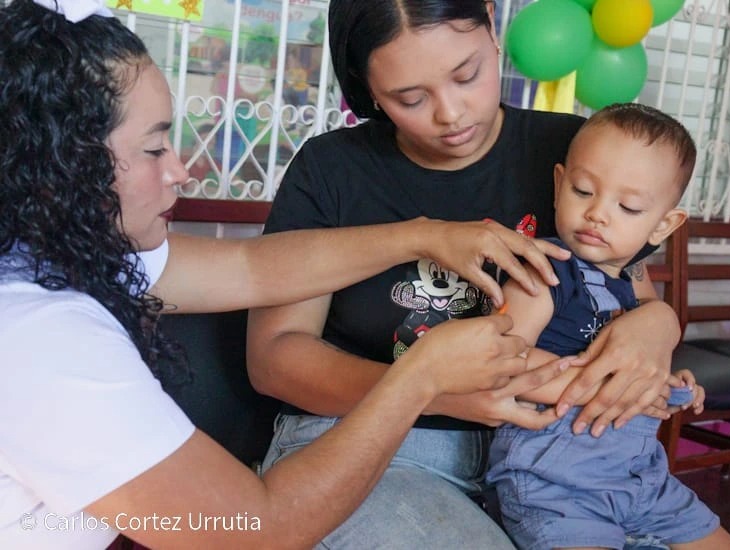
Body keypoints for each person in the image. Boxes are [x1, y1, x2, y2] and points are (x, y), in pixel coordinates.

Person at [0, 1, 572, 548]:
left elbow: (251, 267)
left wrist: (425, 236)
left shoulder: (57, 255)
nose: (181, 171)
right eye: (154, 149)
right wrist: (426, 378)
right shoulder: (40, 339)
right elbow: (256, 530)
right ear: (60, 166)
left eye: (465, 75)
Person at [247, 1, 684, 547]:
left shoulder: (574, 151)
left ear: (491, 25)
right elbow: (275, 359)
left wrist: (659, 324)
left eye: (467, 74)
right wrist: (434, 393)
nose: (451, 114)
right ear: (367, 87)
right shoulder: (331, 169)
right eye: (410, 98)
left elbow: (632, 296)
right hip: (372, 443)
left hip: (556, 458)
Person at [485, 103, 730, 549]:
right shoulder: (546, 269)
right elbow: (498, 360)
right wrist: (605, 385)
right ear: (558, 186)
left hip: (639, 474)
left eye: (628, 206)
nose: (598, 213)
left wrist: (663, 384)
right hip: (555, 479)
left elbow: (636, 362)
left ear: (663, 225)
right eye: (583, 191)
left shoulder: (628, 288)